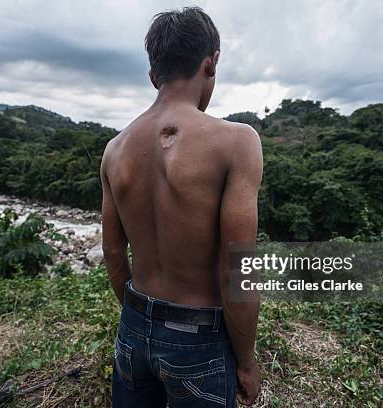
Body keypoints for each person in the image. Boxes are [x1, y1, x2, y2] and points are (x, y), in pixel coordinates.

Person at [101, 6, 263, 407]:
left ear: (153, 74)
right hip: (199, 339)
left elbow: (112, 251)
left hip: (132, 329)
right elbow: (237, 269)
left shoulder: (114, 150)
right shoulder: (237, 142)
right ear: (212, 63)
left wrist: (141, 320)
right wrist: (245, 361)